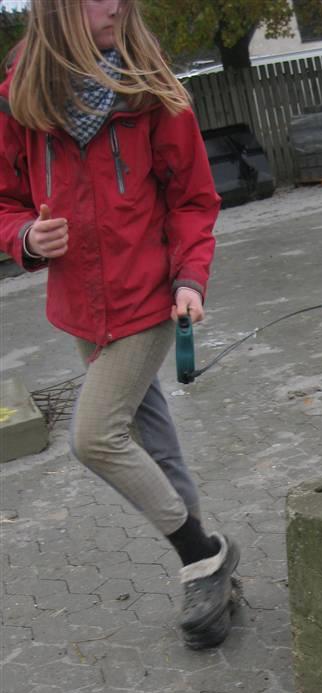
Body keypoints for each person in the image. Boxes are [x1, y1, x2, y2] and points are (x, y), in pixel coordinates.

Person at [0, 0, 239, 650]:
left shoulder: (155, 92)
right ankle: (209, 579)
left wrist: (191, 277)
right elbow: (4, 200)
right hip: (82, 307)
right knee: (153, 444)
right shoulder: (22, 101)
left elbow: (193, 199)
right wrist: (23, 235)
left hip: (150, 298)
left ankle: (204, 552)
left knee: (96, 436)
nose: (117, 3)